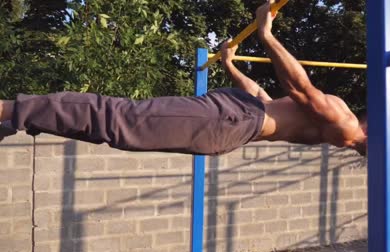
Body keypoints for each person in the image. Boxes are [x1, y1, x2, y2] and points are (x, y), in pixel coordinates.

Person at [0, 1, 367, 156]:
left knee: (118, 118)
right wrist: (228, 63)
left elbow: (300, 88)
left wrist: (265, 33)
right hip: (241, 111)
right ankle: (17, 116)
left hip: (229, 120)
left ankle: (9, 111)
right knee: (118, 120)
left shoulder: (346, 125)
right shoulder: (340, 126)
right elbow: (265, 98)